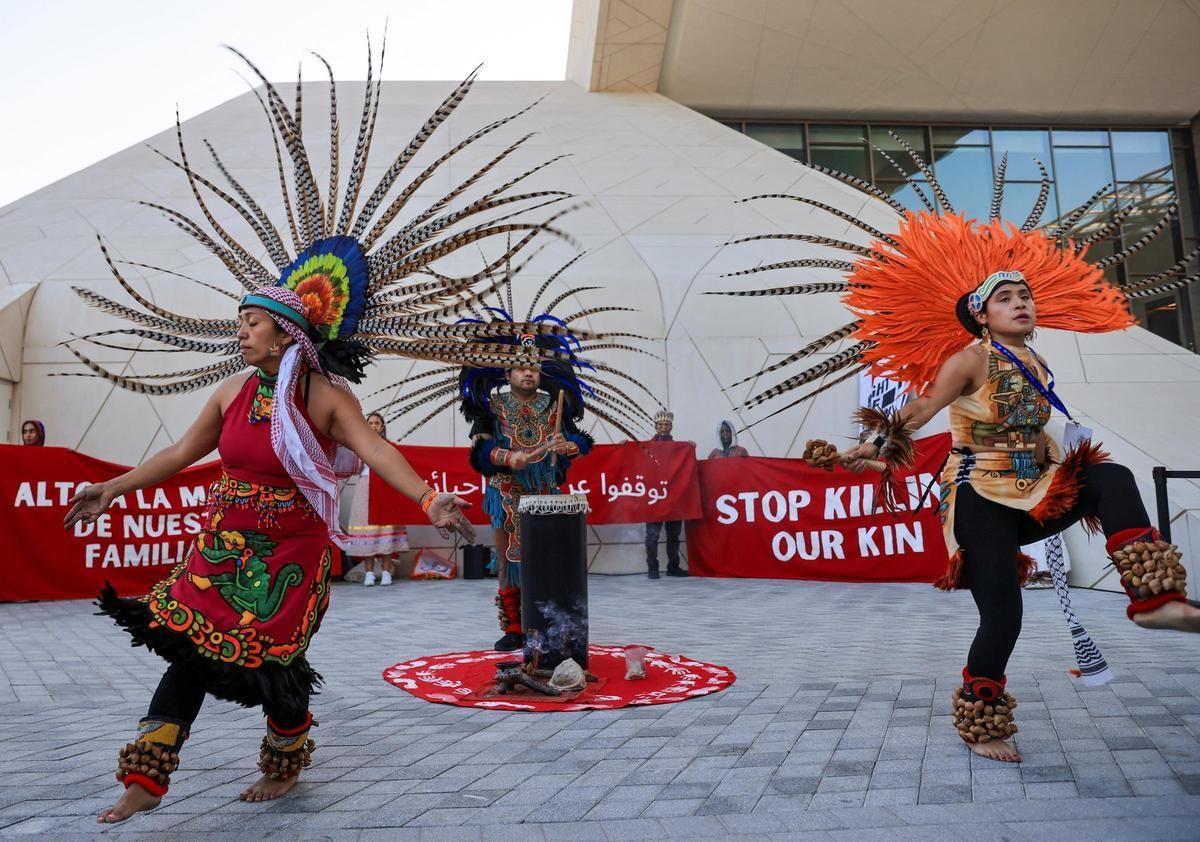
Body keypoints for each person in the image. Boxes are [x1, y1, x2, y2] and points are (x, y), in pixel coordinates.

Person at [57, 47, 573, 823]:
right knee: (189, 646)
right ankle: (146, 779)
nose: (240, 332)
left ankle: (287, 756)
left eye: (251, 323)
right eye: (239, 322)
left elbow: (375, 450)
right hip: (224, 543)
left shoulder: (325, 398)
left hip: (292, 551)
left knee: (276, 665)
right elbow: (179, 455)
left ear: (286, 333)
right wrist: (113, 487)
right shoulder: (232, 391)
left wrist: (429, 499)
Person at [716, 155, 1200, 765]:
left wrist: (1051, 459)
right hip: (980, 500)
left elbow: (1037, 433)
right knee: (1004, 616)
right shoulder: (971, 358)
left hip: (1035, 489)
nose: (1021, 303)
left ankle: (1154, 598)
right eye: (1006, 298)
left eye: (1025, 296)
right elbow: (923, 408)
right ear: (981, 314)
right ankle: (980, 720)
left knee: (1110, 476)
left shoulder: (1036, 363)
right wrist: (877, 445)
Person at [346, 412, 410, 587]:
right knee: (368, 531)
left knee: (385, 530)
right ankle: (369, 573)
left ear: (382, 427)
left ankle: (386, 572)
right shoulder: (360, 445)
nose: (373, 426)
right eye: (371, 423)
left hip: (385, 489)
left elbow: (399, 467)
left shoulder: (390, 447)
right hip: (365, 488)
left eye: (377, 423)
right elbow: (355, 470)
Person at [644, 409, 688, 579]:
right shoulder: (646, 447)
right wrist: (624, 446)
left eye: (666, 424)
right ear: (656, 427)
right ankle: (652, 568)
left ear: (671, 427)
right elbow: (633, 459)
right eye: (661, 424)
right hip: (653, 497)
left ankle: (673, 567)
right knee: (652, 536)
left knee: (674, 536)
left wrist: (689, 447)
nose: (663, 427)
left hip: (673, 497)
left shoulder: (679, 449)